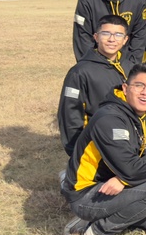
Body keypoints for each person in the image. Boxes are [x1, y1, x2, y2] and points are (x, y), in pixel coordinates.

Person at [61, 63, 146, 235]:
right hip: (87, 194)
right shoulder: (109, 117)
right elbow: (130, 167)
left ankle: (89, 221)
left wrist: (123, 180)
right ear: (125, 88)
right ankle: (100, 232)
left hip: (119, 184)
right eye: (139, 86)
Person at [58, 15, 135, 157]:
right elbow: (70, 115)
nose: (112, 39)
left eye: (118, 35)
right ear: (96, 37)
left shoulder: (131, 67)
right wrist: (76, 152)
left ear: (125, 40)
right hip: (99, 139)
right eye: (106, 33)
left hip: (130, 136)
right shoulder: (80, 72)